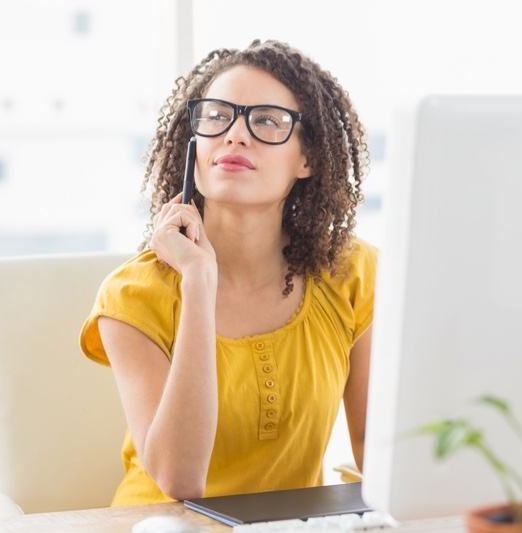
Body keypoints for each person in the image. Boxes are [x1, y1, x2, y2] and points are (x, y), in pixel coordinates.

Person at [79, 39, 375, 506]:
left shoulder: (351, 272)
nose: (235, 135)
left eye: (266, 121)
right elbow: (180, 480)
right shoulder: (131, 296)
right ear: (193, 145)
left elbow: (377, 454)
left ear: (308, 159)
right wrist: (198, 282)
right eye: (217, 115)